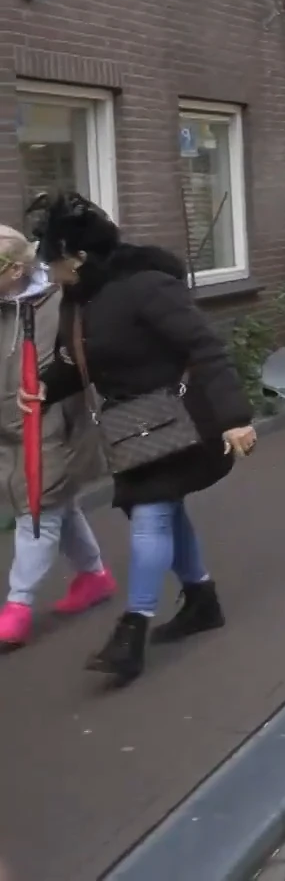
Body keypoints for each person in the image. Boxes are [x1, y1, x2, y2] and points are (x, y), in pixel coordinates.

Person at [29, 193, 258, 685]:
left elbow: (205, 346)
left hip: (180, 421)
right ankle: (201, 599)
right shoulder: (78, 300)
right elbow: (77, 362)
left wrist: (235, 417)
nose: (49, 272)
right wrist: (48, 386)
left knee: (152, 512)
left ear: (79, 258)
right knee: (164, 511)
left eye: (54, 262)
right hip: (129, 426)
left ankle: (131, 631)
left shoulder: (146, 287)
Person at [0, 225, 113, 652]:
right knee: (55, 504)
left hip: (52, 422)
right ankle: (94, 575)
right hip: (7, 424)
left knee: (38, 510)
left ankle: (18, 606)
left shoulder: (62, 299)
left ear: (15, 269)